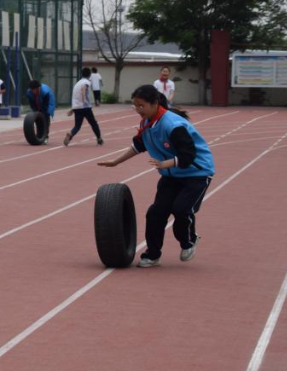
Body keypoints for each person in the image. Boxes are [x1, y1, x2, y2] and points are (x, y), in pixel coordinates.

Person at [98, 85, 215, 267]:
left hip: (197, 173)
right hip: (172, 175)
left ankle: (189, 241)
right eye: (135, 106)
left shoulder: (173, 125)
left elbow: (188, 155)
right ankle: (153, 254)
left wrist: (165, 164)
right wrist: (116, 161)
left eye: (141, 106)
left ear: (155, 103)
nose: (138, 110)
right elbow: (138, 146)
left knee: (181, 209)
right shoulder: (146, 123)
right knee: (155, 213)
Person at [62, 68, 103, 146]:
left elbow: (76, 97)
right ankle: (99, 138)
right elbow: (84, 88)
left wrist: (72, 109)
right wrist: (84, 98)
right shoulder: (86, 82)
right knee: (93, 123)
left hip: (77, 108)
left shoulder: (77, 83)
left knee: (77, 126)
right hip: (85, 107)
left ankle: (71, 134)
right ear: (90, 74)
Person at [25, 79, 56, 144]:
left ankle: (45, 137)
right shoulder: (29, 92)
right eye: (32, 90)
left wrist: (47, 112)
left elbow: (48, 104)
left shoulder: (45, 92)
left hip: (46, 105)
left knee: (45, 120)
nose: (34, 91)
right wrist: (35, 111)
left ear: (38, 88)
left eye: (35, 89)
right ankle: (39, 135)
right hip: (37, 105)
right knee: (37, 120)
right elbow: (32, 103)